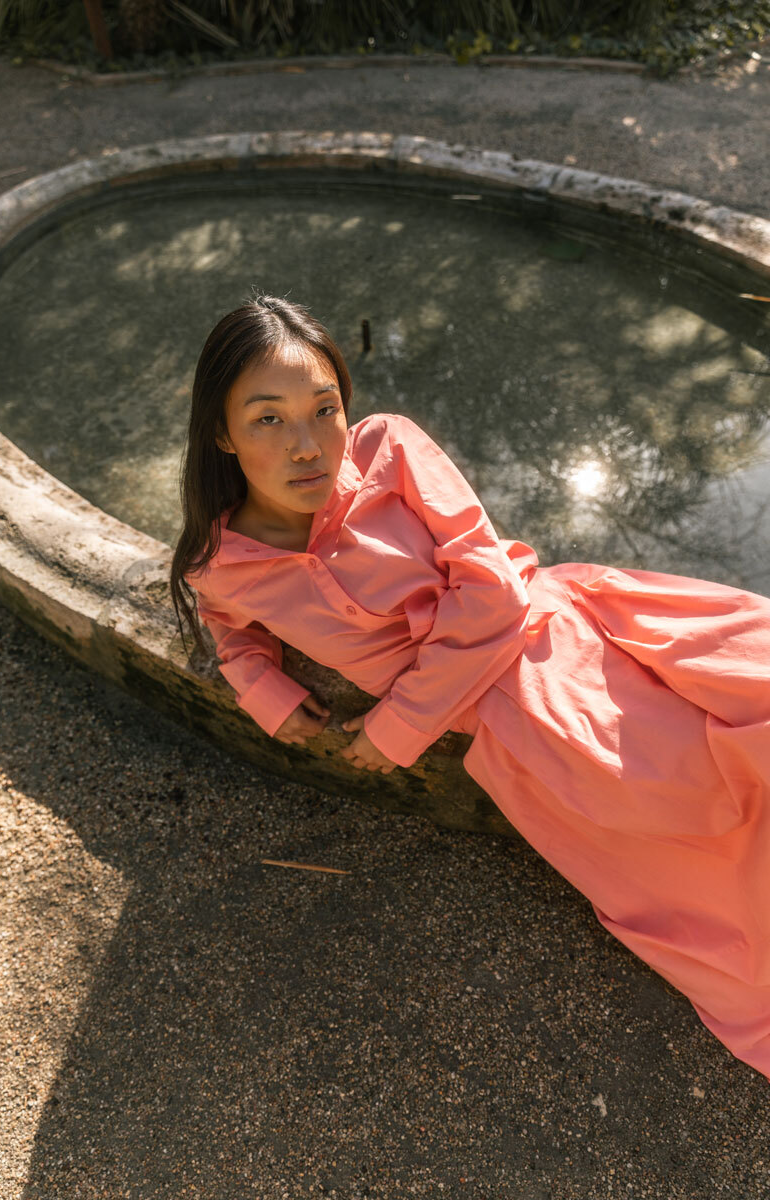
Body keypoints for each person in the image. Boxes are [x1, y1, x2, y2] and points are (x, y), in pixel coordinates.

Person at [170, 293, 770, 1081]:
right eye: (268, 420)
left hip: (557, 637)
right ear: (222, 433)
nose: (310, 446)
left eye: (324, 409)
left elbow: (492, 590)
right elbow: (227, 629)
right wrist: (266, 694)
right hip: (511, 728)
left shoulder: (391, 447)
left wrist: (395, 729)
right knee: (690, 825)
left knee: (735, 713)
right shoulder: (224, 565)